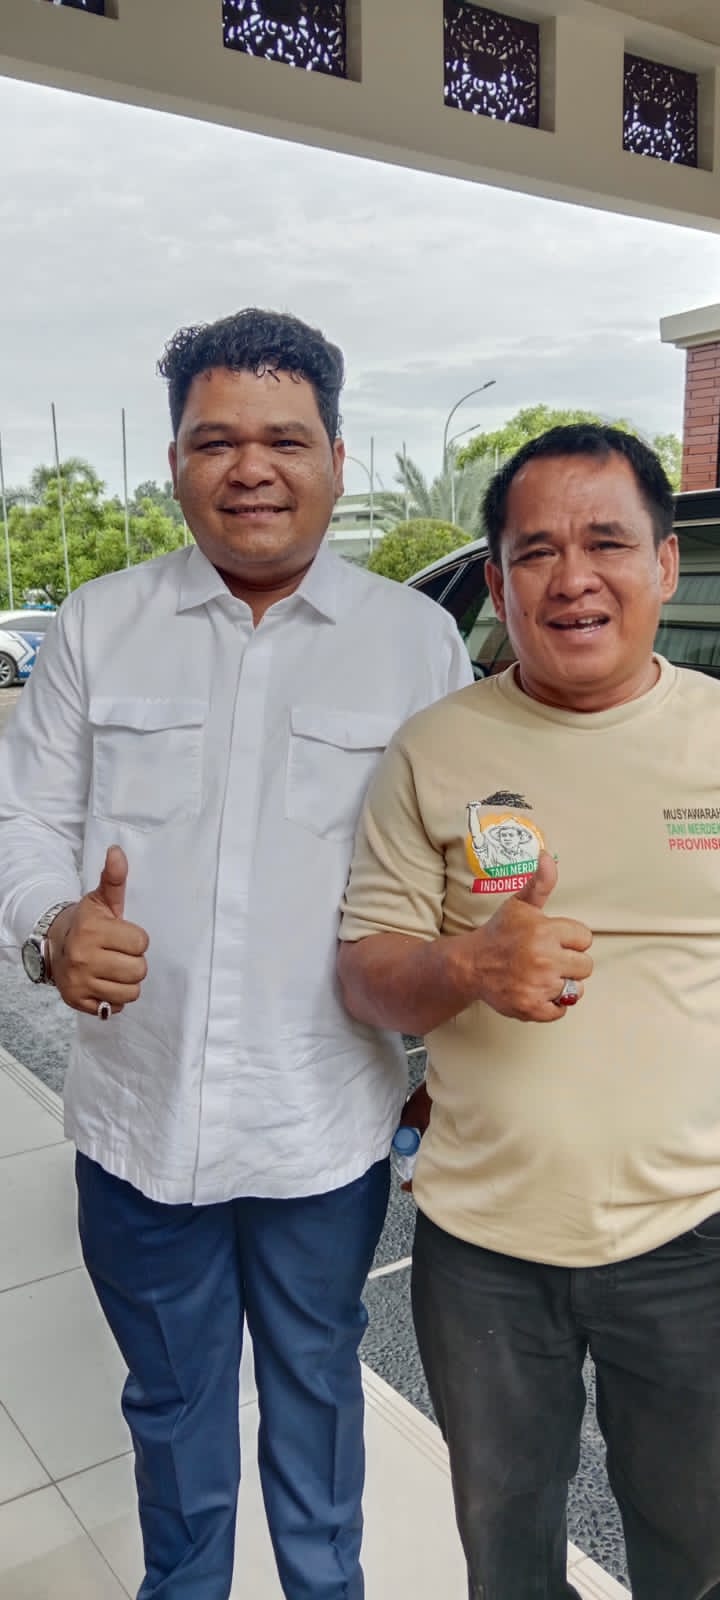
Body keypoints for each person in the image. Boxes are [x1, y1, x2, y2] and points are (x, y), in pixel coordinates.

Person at [0, 308, 472, 1600]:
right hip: (138, 1125)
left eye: (283, 439)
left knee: (318, 1398)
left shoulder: (413, 644)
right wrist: (53, 925)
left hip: (324, 1126)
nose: (250, 467)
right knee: (173, 1413)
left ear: (337, 456)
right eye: (215, 440)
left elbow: (455, 869)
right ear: (175, 462)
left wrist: (454, 1050)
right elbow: (22, 821)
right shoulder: (98, 625)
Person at [338, 423, 720, 1600]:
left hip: (695, 1235)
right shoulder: (433, 750)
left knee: (698, 1550)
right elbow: (364, 970)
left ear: (664, 563)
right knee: (507, 1558)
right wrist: (466, 967)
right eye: (536, 551)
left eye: (607, 541)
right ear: (498, 584)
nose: (573, 577)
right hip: (485, 1251)